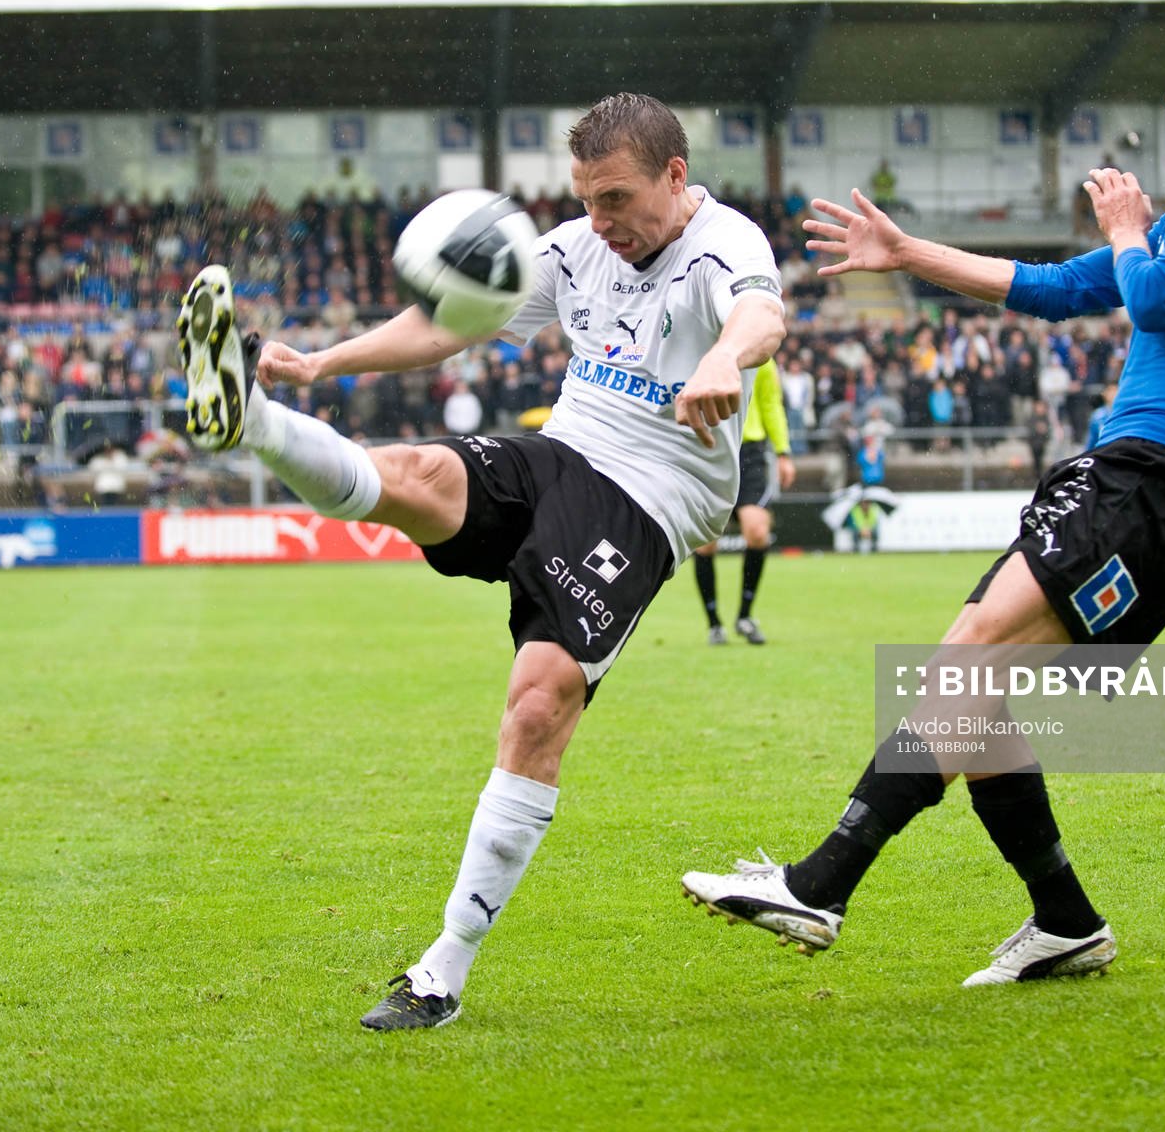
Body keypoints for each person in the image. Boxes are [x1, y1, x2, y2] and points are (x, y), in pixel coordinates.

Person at [683, 12, 1165, 987]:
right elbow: (1062, 287)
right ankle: (1063, 917)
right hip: (1126, 466)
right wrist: (908, 253)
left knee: (964, 662)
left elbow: (1148, 298)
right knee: (971, 687)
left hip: (1164, 478)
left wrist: (1125, 228)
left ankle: (821, 882)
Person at [179, 93, 786, 1029]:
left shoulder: (725, 242)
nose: (600, 223)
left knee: (539, 702)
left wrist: (722, 365)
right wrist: (320, 366)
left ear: (675, 175)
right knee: (417, 473)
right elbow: (449, 324)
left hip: (654, 492)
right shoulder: (579, 245)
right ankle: (257, 420)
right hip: (568, 446)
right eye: (587, 200)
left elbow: (758, 315)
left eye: (617, 200)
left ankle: (443, 970)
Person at [692, 356, 796, 646]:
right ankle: (714, 623)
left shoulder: (764, 359)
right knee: (706, 543)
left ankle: (745, 616)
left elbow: (771, 404)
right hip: (711, 447)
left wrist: (783, 452)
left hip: (750, 453)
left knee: (757, 532)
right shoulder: (707, 347)